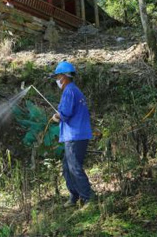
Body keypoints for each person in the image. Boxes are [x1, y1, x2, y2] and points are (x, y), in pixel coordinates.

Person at [51, 61, 94, 206]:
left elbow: (66, 113)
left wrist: (57, 116)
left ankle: (88, 197)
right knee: (66, 166)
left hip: (75, 136)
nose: (57, 80)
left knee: (74, 167)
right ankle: (74, 195)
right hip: (76, 135)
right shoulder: (74, 90)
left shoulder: (69, 91)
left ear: (64, 76)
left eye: (58, 77)